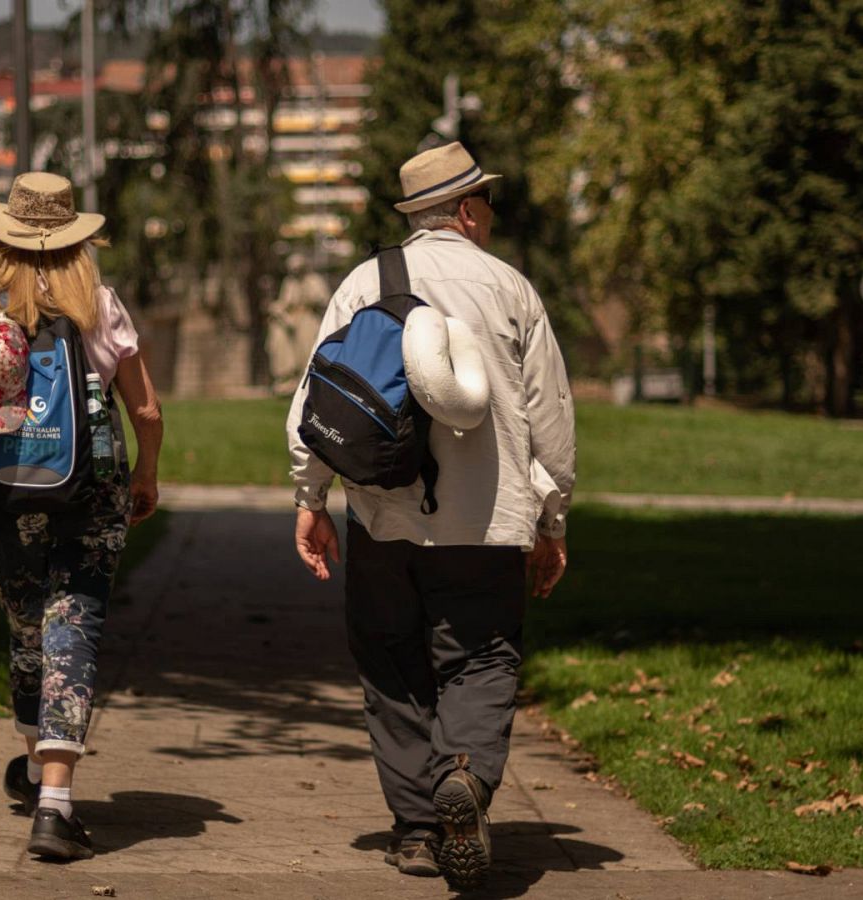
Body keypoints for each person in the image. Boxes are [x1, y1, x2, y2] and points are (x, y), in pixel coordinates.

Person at [285, 141, 576, 889]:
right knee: (481, 656)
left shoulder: (362, 283)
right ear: (470, 211)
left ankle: (417, 830)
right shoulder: (512, 289)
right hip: (488, 523)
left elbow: (319, 403)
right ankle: (468, 777)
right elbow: (550, 420)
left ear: (417, 217)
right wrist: (553, 521)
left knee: (392, 664)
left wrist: (310, 498)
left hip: (383, 517)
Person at [0, 172, 164, 861]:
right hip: (90, 492)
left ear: (2, 237)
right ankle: (55, 802)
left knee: (29, 626)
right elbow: (146, 409)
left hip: (1, 498)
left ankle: (37, 769)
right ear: (76, 240)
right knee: (75, 624)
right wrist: (146, 473)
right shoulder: (99, 305)